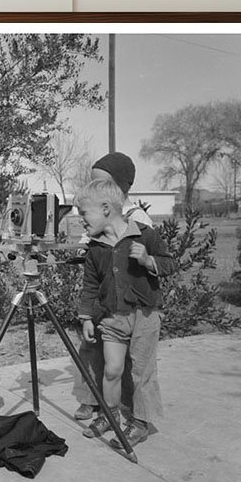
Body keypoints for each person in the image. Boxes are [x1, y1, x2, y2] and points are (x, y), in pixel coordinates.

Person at [75, 178, 176, 448]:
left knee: (141, 373)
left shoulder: (145, 234)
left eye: (84, 214)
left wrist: (147, 260)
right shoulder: (95, 248)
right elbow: (90, 285)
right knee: (112, 370)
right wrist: (86, 317)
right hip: (112, 318)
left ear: (106, 208)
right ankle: (110, 414)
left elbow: (169, 264)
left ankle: (140, 423)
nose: (81, 220)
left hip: (145, 316)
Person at [72, 152, 154, 421]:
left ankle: (125, 407)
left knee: (121, 361)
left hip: (125, 301)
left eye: (100, 183)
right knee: (90, 347)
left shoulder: (137, 219)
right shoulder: (97, 214)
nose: (93, 188)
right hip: (102, 294)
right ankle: (91, 399)